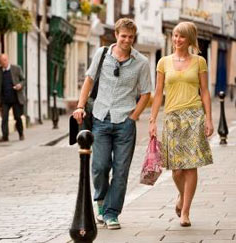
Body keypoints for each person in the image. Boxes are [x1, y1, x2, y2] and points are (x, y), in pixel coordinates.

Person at [73, 18, 152, 230]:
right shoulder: (101, 54)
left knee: (121, 170)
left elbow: (146, 94)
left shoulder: (141, 62)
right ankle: (101, 202)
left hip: (125, 123)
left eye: (130, 37)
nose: (127, 40)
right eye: (123, 36)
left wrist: (133, 117)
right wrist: (80, 106)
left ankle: (111, 213)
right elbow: (89, 81)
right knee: (99, 166)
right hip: (100, 118)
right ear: (116, 35)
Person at [149, 21, 213, 227]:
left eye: (182, 36)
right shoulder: (163, 62)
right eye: (175, 36)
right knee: (176, 170)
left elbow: (204, 91)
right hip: (172, 117)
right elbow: (158, 93)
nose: (177, 40)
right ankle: (181, 195)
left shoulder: (199, 62)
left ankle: (185, 211)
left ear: (189, 39)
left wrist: (209, 118)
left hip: (194, 116)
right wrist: (152, 121)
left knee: (191, 166)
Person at [0, 53, 26, 142]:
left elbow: (23, 80)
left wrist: (20, 85)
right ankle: (5, 136)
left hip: (15, 97)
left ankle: (21, 133)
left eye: (4, 60)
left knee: (17, 117)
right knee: (4, 118)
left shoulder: (16, 69)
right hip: (4, 98)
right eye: (1, 61)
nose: (3, 63)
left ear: (7, 59)